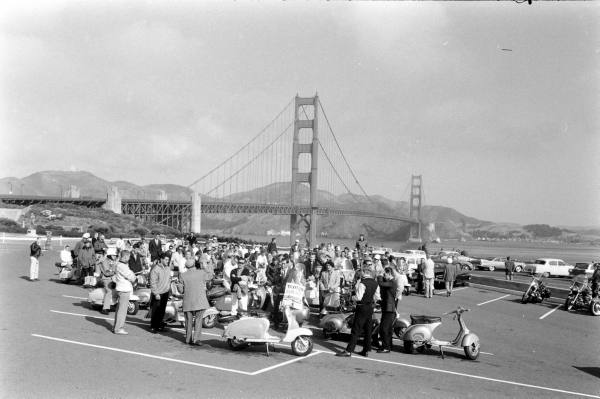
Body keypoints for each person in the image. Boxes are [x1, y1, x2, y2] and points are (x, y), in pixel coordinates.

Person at [336, 264, 380, 358]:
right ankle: (366, 350)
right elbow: (377, 297)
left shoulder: (362, 283)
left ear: (364, 272)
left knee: (356, 330)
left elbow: (358, 297)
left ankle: (349, 351)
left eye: (361, 272)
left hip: (362, 307)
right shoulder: (375, 283)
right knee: (368, 329)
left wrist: (351, 297)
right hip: (370, 308)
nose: (360, 273)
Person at [176, 259, 210, 346]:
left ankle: (188, 339)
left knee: (188, 321)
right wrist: (206, 266)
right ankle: (196, 339)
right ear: (194, 264)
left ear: (186, 267)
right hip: (200, 300)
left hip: (188, 301)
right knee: (198, 320)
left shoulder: (182, 275)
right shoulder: (201, 273)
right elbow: (210, 276)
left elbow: (181, 290)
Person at [112, 250, 135, 335]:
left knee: (119, 309)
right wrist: (133, 276)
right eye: (128, 257)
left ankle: (116, 327)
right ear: (125, 257)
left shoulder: (120, 264)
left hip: (121, 288)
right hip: (124, 289)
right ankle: (118, 328)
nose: (129, 259)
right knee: (122, 310)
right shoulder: (122, 266)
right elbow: (131, 276)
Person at [375, 267, 397, 353]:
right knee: (387, 329)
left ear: (389, 274)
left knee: (384, 328)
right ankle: (388, 346)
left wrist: (379, 275)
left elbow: (380, 283)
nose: (384, 276)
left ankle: (386, 347)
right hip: (387, 308)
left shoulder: (392, 282)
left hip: (389, 308)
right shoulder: (390, 282)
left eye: (385, 274)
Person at [149, 253, 172, 333]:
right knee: (155, 311)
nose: (167, 261)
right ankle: (153, 326)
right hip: (158, 293)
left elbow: (169, 279)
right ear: (161, 259)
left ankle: (159, 325)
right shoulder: (156, 269)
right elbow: (153, 282)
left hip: (165, 292)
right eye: (166, 259)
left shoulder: (168, 268)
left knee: (162, 310)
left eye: (168, 260)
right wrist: (156, 293)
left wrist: (169, 289)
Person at [99, 247, 118, 315]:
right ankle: (105, 308)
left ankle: (115, 304)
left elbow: (115, 269)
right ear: (110, 255)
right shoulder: (105, 261)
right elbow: (106, 273)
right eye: (113, 255)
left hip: (113, 278)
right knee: (109, 291)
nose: (115, 256)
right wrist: (114, 272)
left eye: (115, 255)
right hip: (106, 279)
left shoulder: (113, 261)